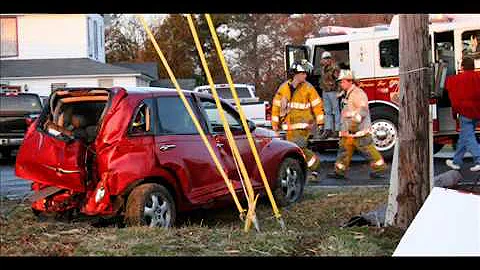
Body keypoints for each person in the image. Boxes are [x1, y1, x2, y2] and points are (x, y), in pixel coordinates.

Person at [327, 69, 386, 179]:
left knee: (368, 150)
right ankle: (339, 171)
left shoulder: (358, 94)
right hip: (349, 132)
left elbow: (362, 111)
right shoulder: (347, 94)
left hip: (359, 131)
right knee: (344, 151)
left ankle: (379, 169)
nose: (341, 84)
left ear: (350, 81)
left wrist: (353, 126)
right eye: (340, 82)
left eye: (343, 81)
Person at [271, 59, 325, 178]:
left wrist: (320, 122)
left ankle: (314, 167)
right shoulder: (284, 88)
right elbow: (276, 107)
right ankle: (302, 171)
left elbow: (317, 105)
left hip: (302, 127)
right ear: (296, 74)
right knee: (294, 150)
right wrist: (275, 126)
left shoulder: (308, 88)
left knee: (299, 149)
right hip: (289, 128)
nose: (305, 75)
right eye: (303, 73)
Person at [444, 56, 480, 172]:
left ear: (462, 66)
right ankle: (456, 162)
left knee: (468, 137)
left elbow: (452, 96)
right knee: (464, 137)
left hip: (465, 112)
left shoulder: (454, 80)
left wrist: (454, 113)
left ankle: (479, 159)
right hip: (477, 112)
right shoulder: (478, 76)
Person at [317, 51, 341, 139]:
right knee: (327, 111)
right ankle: (328, 129)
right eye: (324, 59)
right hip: (325, 91)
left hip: (333, 91)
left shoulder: (334, 68)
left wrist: (339, 91)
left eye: (326, 58)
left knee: (336, 111)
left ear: (329, 59)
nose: (325, 60)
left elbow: (338, 79)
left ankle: (338, 130)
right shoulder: (323, 68)